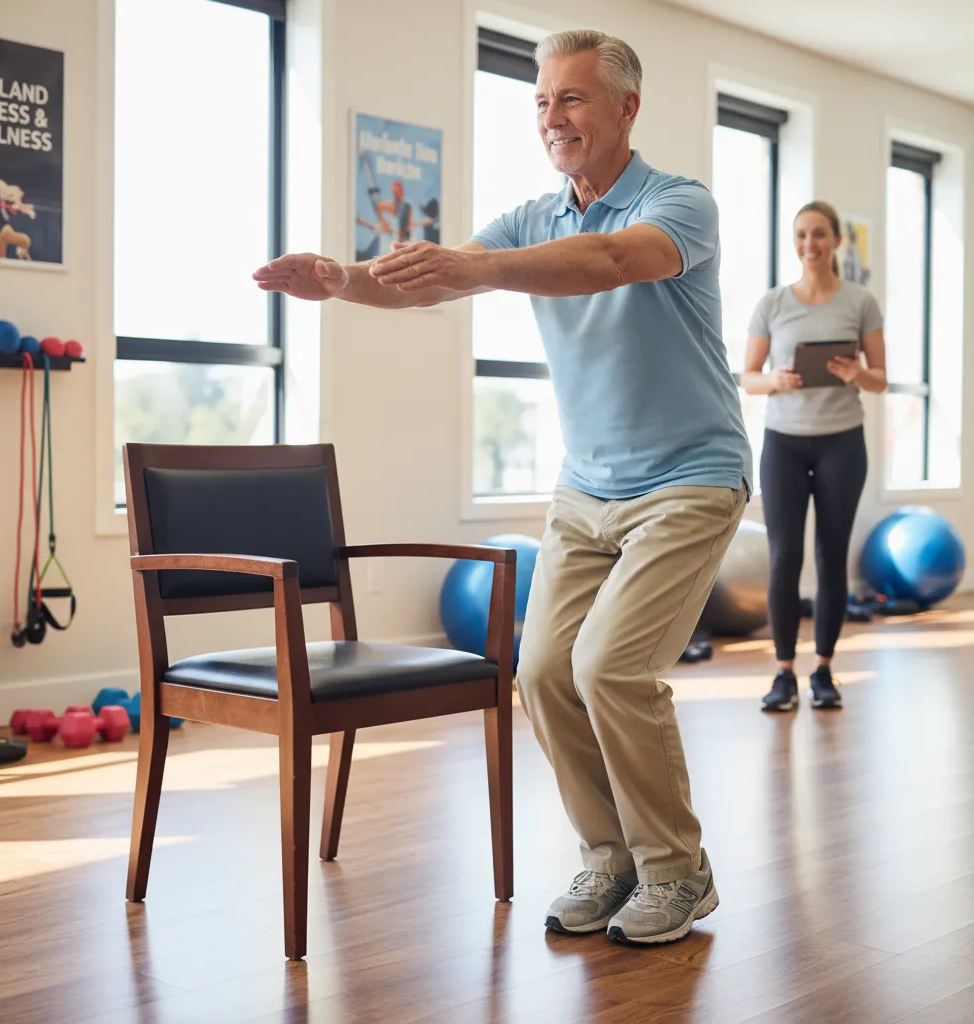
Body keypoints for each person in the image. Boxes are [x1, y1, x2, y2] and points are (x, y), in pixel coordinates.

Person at [253, 29, 751, 946]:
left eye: (571, 99)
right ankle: (611, 858)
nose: (552, 118)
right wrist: (344, 281)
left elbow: (608, 264)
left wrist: (474, 267)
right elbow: (425, 286)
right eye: (540, 102)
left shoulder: (681, 205)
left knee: (610, 667)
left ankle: (679, 871)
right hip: (586, 488)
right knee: (543, 671)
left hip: (690, 479)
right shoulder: (532, 218)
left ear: (625, 108)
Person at [741, 201, 886, 713]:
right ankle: (783, 674)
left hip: (842, 442)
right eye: (801, 235)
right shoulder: (773, 304)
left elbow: (880, 378)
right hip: (784, 442)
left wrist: (854, 374)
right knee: (784, 560)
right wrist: (774, 380)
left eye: (819, 234)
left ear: (836, 241)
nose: (809, 244)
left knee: (830, 558)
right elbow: (748, 376)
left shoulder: (860, 301)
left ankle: (823, 669)